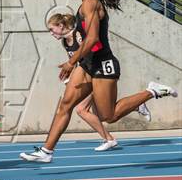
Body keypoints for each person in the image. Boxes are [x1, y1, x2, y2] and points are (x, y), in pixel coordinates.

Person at [20, 0, 178, 163]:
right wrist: (77, 60)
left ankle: (152, 91)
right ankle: (46, 151)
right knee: (65, 106)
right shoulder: (84, 4)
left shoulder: (91, 3)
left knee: (108, 116)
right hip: (88, 65)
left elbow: (93, 38)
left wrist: (71, 61)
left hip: (103, 64)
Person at [47, 13, 151, 151]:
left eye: (51, 29)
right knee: (102, 114)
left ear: (61, 26)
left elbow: (92, 46)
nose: (51, 33)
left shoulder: (79, 35)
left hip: (97, 72)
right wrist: (70, 79)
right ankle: (134, 107)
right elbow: (78, 63)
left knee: (82, 110)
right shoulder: (65, 42)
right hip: (86, 74)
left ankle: (109, 138)